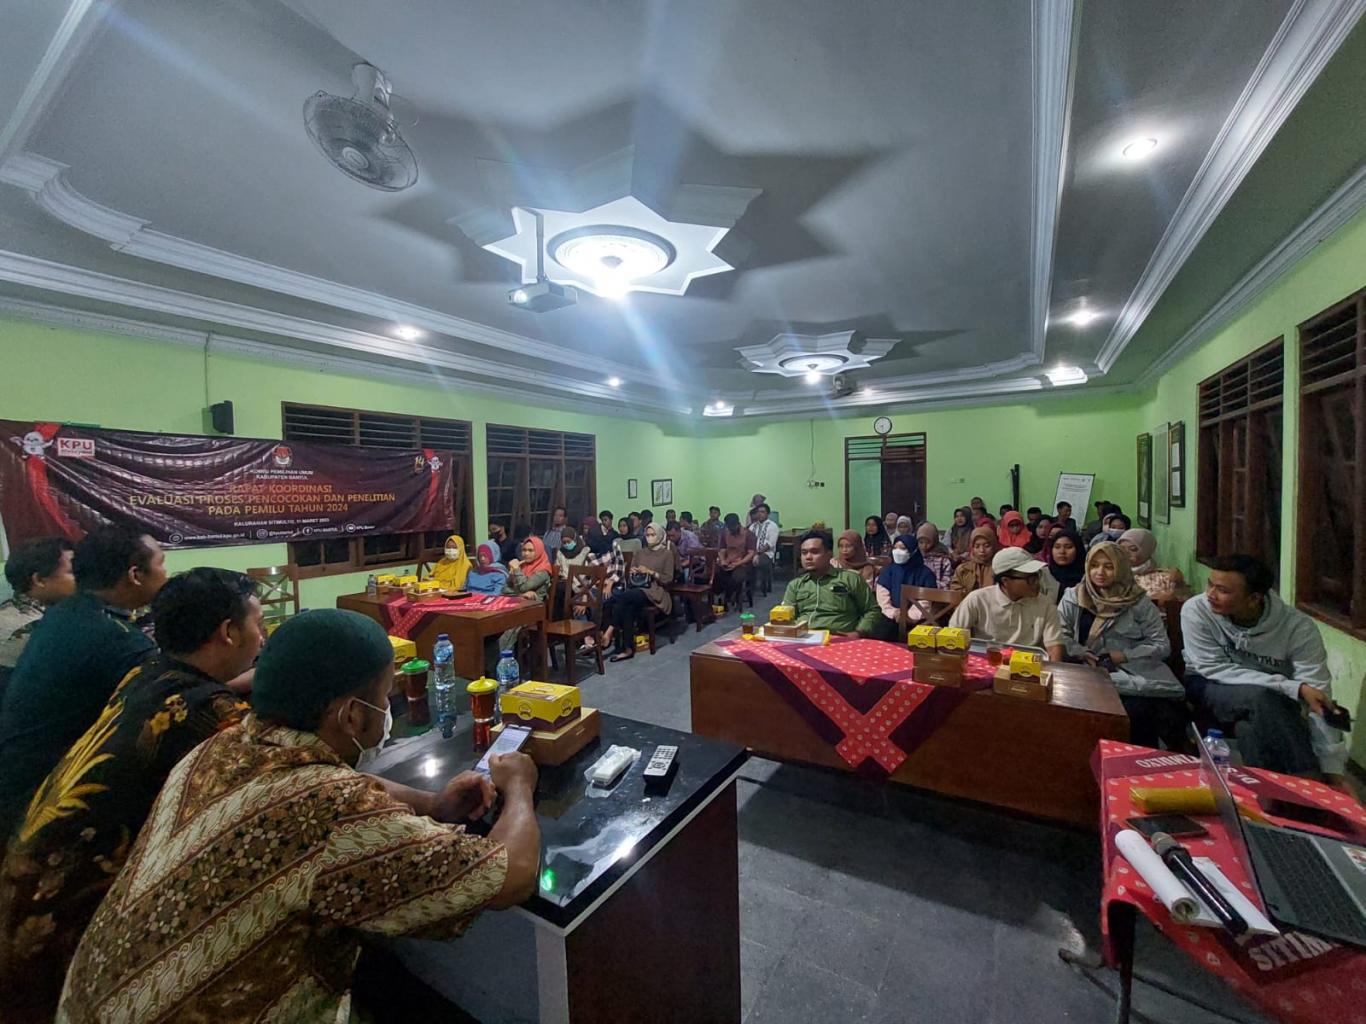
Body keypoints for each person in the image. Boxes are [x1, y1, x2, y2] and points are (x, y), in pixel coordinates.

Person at [57, 609, 540, 1024]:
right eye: (386, 694)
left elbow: (339, 783)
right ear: (353, 715)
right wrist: (518, 787)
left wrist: (432, 805)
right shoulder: (332, 814)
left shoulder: (219, 747)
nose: (388, 706)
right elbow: (512, 874)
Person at [0, 569, 260, 1022]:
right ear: (229, 632)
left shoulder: (146, 673)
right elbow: (297, 786)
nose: (263, 636)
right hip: (67, 944)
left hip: (19, 890)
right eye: (259, 623)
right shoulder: (215, 718)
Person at [0, 527, 166, 839]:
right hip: (45, 800)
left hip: (18, 778)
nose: (166, 574)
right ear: (135, 574)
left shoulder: (65, 613)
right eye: (161, 563)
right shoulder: (115, 638)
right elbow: (168, 705)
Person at [1181, 554, 1346, 780]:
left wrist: (1333, 767)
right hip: (1208, 686)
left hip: (1271, 705)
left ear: (1254, 598)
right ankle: (1308, 781)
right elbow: (1212, 668)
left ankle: (1271, 799)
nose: (1210, 594)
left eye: (1223, 590)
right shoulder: (1197, 610)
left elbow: (1318, 696)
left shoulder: (1298, 628)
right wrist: (1293, 688)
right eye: (1210, 584)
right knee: (1261, 698)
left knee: (1249, 728)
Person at [1058, 544, 1187, 750]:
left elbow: (1161, 645)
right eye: (1094, 565)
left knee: (1141, 712)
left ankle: (1140, 770)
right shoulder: (1074, 597)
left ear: (1121, 568)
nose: (1099, 572)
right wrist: (1079, 651)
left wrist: (1124, 655)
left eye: (1109, 566)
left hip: (1131, 674)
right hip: (1087, 672)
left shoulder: (1138, 602)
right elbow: (1060, 634)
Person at [949, 548, 1064, 659]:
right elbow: (954, 634)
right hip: (986, 662)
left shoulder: (1045, 605)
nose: (1037, 583)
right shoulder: (978, 600)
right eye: (1030, 579)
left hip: (1027, 666)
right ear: (1005, 581)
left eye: (1037, 576)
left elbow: (1054, 648)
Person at [781, 531, 880, 638]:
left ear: (829, 555)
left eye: (815, 552)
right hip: (803, 638)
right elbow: (786, 615)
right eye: (804, 553)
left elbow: (872, 610)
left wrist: (859, 632)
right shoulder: (795, 585)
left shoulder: (850, 579)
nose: (808, 557)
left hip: (839, 639)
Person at [0, 537, 75, 679]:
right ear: (39, 580)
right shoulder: (33, 629)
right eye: (72, 572)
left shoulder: (9, 608)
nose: (82, 578)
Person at [601, 523, 676, 662]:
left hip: (656, 590)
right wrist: (634, 572)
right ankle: (628, 649)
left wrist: (650, 572)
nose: (649, 538)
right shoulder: (640, 552)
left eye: (653, 535)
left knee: (624, 598)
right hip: (637, 588)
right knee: (627, 605)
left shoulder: (667, 553)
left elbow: (668, 579)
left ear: (659, 535)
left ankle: (609, 631)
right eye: (647, 535)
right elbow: (630, 574)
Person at [872, 535, 939, 640]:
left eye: (903, 548)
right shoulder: (887, 572)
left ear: (913, 551)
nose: (898, 551)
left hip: (918, 620)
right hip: (891, 618)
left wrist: (908, 617)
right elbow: (883, 598)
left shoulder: (925, 574)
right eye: (895, 548)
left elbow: (925, 602)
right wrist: (894, 613)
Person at [499, 537, 552, 652]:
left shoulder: (543, 571)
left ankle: (503, 661)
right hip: (518, 604)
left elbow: (524, 586)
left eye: (530, 550)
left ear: (538, 551)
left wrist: (516, 571)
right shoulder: (522, 566)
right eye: (524, 550)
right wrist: (521, 595)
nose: (526, 554)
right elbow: (504, 590)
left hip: (535, 609)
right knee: (494, 624)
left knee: (510, 627)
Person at [1118, 528, 1186, 600]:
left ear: (1146, 551)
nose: (1126, 553)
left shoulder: (1164, 579)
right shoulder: (1113, 574)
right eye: (1121, 549)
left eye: (1133, 549)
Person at [713, 513, 756, 609]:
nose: (731, 529)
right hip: (728, 562)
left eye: (732, 527)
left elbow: (751, 553)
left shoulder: (748, 534)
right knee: (716, 573)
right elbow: (722, 550)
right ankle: (722, 597)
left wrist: (738, 563)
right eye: (729, 527)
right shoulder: (725, 533)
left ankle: (729, 597)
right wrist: (723, 560)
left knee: (736, 577)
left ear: (738, 524)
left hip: (743, 564)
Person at [952, 525, 998, 594]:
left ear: (994, 545)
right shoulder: (963, 569)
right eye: (977, 546)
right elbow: (956, 591)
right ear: (972, 548)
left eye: (986, 546)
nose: (982, 550)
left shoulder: (1001, 568)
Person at [1044, 529, 1085, 605]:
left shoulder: (1087, 577)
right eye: (1057, 547)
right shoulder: (1042, 575)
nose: (1062, 552)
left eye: (1068, 547)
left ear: (1078, 549)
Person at [750, 503, 779, 595]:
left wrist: (757, 554)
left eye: (762, 512)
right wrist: (752, 554)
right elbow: (748, 541)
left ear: (768, 514)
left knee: (757, 561)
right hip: (752, 553)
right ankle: (749, 587)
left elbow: (770, 544)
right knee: (744, 562)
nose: (760, 514)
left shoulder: (772, 526)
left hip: (766, 554)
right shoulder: (753, 526)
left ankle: (760, 587)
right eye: (758, 512)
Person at [916, 522, 955, 589]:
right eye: (921, 542)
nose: (924, 546)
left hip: (937, 595)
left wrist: (930, 585)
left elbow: (947, 582)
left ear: (934, 541)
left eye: (928, 542)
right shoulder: (915, 558)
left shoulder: (943, 560)